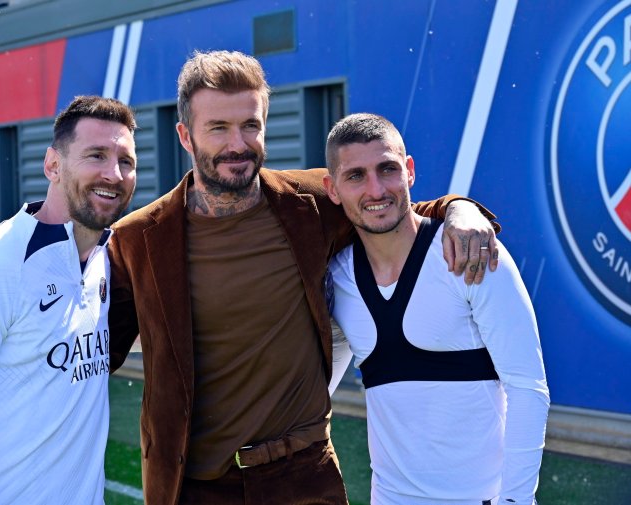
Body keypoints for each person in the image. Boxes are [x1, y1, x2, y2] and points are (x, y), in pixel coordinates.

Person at [107, 50, 500, 505]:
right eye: (218, 128)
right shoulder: (138, 240)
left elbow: (390, 210)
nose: (238, 143)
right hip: (194, 487)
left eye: (250, 125)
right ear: (185, 136)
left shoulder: (310, 204)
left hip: (303, 478)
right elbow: (95, 353)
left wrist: (458, 208)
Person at [324, 113, 550, 505]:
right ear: (332, 189)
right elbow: (317, 387)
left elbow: (528, 387)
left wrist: (516, 500)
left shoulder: (470, 252)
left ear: (409, 170)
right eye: (356, 176)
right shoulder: (338, 279)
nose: (376, 189)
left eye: (388, 169)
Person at [0, 95, 137, 504]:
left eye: (125, 161)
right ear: (53, 165)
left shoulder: (107, 259)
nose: (113, 173)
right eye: (96, 155)